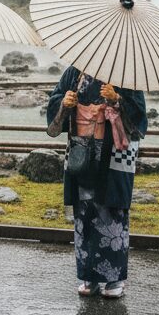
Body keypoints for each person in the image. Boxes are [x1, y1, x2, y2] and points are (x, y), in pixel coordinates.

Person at [45, 66, 147, 299]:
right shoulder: (74, 72)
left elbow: (140, 117)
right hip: (82, 150)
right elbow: (55, 99)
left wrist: (117, 98)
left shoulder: (127, 74)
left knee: (112, 213)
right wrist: (65, 101)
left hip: (113, 153)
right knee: (84, 214)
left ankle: (114, 279)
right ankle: (88, 277)